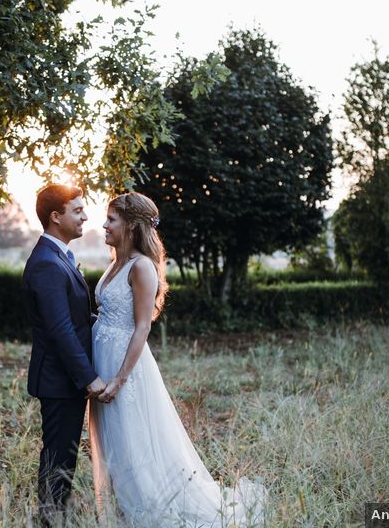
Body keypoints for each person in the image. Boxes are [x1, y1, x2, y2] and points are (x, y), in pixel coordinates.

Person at [89, 192, 267, 526]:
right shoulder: (116, 262)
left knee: (134, 443)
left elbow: (142, 327)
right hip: (103, 360)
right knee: (115, 444)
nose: (105, 224)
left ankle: (148, 513)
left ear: (130, 225)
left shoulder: (141, 266)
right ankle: (122, 511)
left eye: (111, 219)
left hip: (125, 368)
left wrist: (119, 379)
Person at [21, 184, 107, 524]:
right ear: (56, 217)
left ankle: (55, 518)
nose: (85, 215)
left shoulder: (59, 256)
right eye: (77, 210)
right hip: (58, 380)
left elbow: (73, 317)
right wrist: (89, 378)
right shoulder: (46, 263)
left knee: (64, 456)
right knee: (58, 457)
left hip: (63, 379)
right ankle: (50, 520)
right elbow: (60, 330)